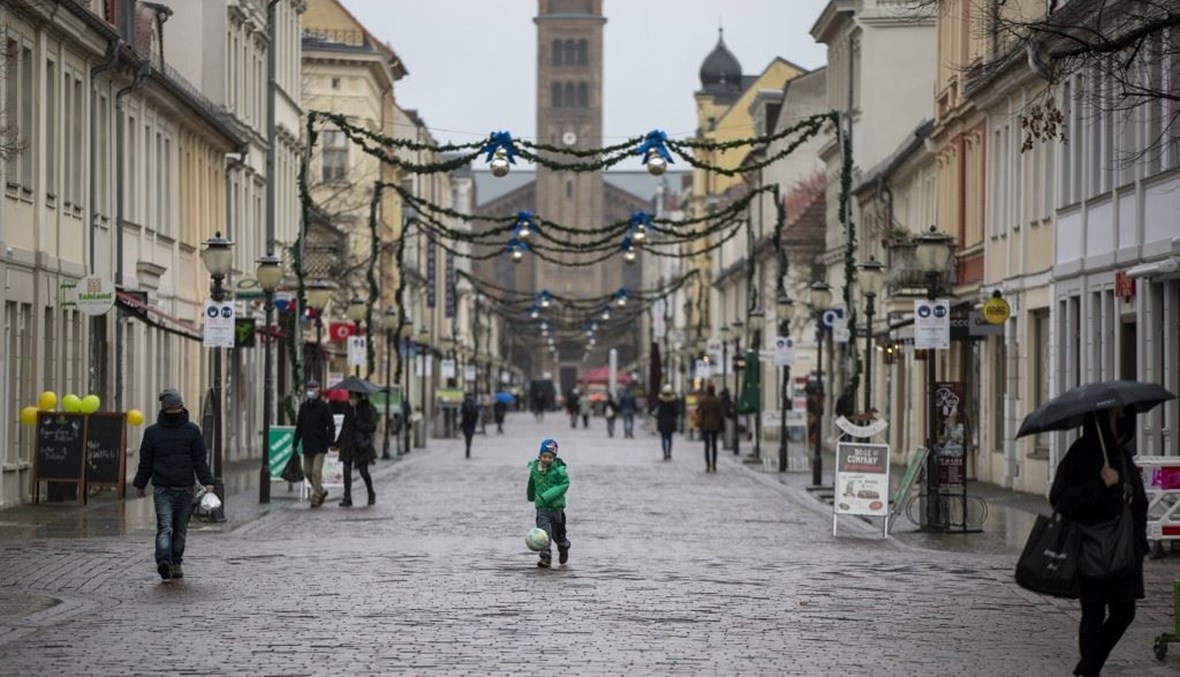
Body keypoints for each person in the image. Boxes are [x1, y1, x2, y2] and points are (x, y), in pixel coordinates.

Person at [1049, 407, 1147, 677]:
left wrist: (1138, 542)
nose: (1121, 421)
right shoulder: (1081, 453)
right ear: (1102, 420)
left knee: (1124, 612)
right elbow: (1060, 498)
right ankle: (1091, 671)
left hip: (1124, 550)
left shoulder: (1121, 453)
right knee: (1093, 614)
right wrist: (1099, 483)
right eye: (1116, 416)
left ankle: (1088, 666)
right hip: (1090, 548)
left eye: (1124, 415)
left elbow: (1138, 501)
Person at [132, 390, 215, 581]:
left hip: (175, 488)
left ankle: (173, 561)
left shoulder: (162, 432)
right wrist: (140, 483)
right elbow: (146, 462)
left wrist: (207, 481)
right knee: (173, 529)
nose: (174, 413)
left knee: (171, 528)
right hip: (172, 488)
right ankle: (167, 561)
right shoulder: (185, 431)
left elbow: (199, 460)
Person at [526, 438, 570, 568]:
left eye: (550, 457)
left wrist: (547, 496)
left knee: (558, 535)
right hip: (542, 508)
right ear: (540, 456)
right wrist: (531, 496)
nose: (546, 459)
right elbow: (532, 482)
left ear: (554, 458)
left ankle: (563, 547)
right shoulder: (535, 469)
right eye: (544, 456)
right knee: (543, 533)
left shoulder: (558, 471)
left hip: (556, 508)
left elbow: (564, 484)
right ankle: (545, 557)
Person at [293, 379, 336, 508]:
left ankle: (316, 498)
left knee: (316, 471)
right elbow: (299, 426)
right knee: (307, 472)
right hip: (307, 445)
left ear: (318, 390)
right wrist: (295, 443)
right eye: (309, 389)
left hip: (320, 445)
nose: (310, 391)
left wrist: (329, 441)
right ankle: (321, 490)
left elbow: (331, 426)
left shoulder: (324, 407)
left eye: (313, 389)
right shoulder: (303, 407)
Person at [337, 392, 377, 507]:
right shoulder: (348, 409)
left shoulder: (365, 408)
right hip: (347, 443)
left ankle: (371, 492)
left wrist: (360, 424)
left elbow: (372, 427)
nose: (351, 400)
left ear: (359, 398)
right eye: (350, 397)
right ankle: (347, 497)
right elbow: (344, 427)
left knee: (363, 471)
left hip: (360, 445)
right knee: (346, 471)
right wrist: (337, 442)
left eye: (353, 397)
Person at [696, 384, 724, 472]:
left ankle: (707, 464)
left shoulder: (704, 400)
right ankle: (714, 464)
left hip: (706, 425)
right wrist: (722, 425)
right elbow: (721, 414)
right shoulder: (717, 400)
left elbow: (697, 410)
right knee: (714, 445)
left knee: (707, 445)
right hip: (715, 425)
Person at [654, 384, 679, 461]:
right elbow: (676, 412)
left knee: (663, 438)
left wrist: (657, 416)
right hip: (671, 421)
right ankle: (669, 453)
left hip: (662, 421)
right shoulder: (673, 401)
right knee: (670, 438)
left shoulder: (660, 400)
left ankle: (665, 453)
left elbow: (657, 411)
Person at [460, 392, 480, 458]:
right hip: (472, 422)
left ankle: (467, 446)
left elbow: (461, 412)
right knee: (470, 435)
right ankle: (468, 446)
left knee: (466, 435)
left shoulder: (464, 403)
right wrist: (475, 421)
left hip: (465, 421)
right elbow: (477, 414)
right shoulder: (475, 404)